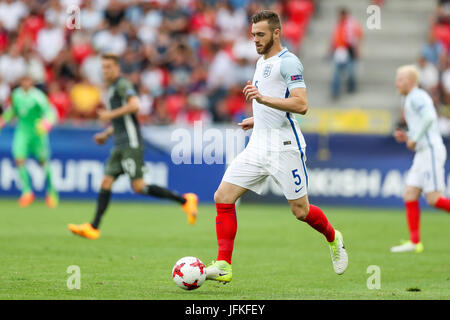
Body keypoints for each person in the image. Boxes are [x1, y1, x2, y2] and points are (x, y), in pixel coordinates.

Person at [205, 10, 348, 284]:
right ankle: (224, 264)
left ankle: (333, 237)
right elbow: (270, 103)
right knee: (223, 197)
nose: (255, 40)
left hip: (285, 147)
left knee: (301, 211)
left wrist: (262, 99)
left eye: (260, 35)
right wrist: (255, 118)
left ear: (276, 33)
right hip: (259, 145)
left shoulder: (289, 62)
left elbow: (301, 105)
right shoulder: (261, 63)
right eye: (253, 36)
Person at [68, 54, 198, 240]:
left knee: (138, 186)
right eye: (103, 67)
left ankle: (185, 200)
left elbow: (135, 105)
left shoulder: (122, 85)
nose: (106, 71)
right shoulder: (112, 88)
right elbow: (122, 119)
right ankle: (93, 227)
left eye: (109, 67)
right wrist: (106, 133)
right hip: (119, 143)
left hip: (131, 143)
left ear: (117, 68)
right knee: (106, 182)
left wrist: (110, 114)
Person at [391, 65, 450, 253]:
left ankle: (415, 242)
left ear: (409, 81)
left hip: (431, 150)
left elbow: (430, 117)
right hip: (423, 152)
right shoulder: (410, 98)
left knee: (433, 199)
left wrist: (415, 138)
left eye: (399, 79)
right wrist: (408, 135)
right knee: (409, 193)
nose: (396, 83)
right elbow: (421, 123)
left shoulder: (417, 96)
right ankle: (415, 242)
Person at [0, 74, 58, 208]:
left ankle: (51, 192)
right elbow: (12, 111)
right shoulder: (16, 95)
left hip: (37, 133)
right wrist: (3, 120)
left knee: (43, 162)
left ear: (31, 82)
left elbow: (50, 112)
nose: (25, 83)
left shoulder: (38, 96)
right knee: (19, 159)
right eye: (23, 81)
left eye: (28, 81)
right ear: (21, 82)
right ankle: (27, 192)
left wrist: (47, 123)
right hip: (22, 132)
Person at [330, 7, 363, 99]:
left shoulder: (352, 24)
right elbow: (334, 38)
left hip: (349, 50)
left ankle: (351, 88)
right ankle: (335, 91)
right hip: (340, 50)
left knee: (350, 72)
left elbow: (357, 37)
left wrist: (356, 51)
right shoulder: (339, 24)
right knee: (337, 73)